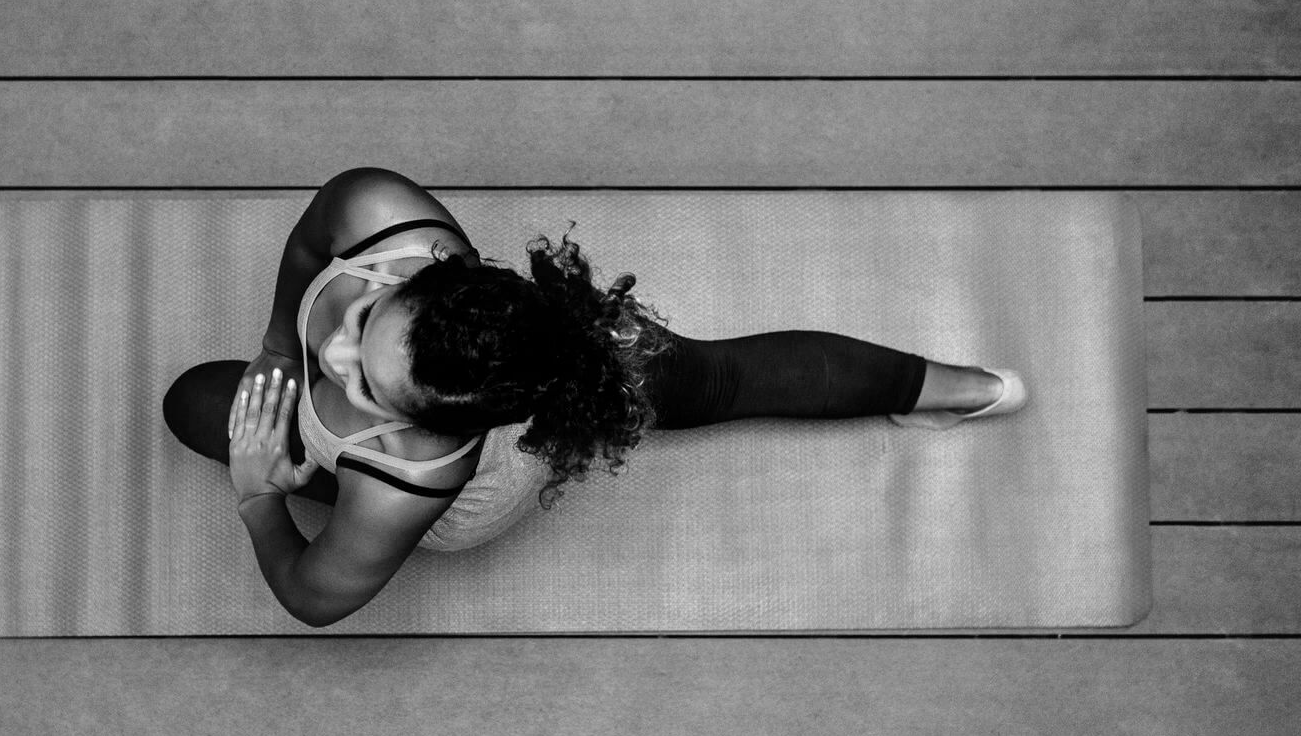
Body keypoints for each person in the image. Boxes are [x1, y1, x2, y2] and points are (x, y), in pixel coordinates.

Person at [163, 167, 1028, 627]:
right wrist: (278, 342)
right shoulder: (377, 209)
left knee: (194, 406)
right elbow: (311, 241)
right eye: (367, 320)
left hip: (476, 488)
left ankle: (961, 389)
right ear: (438, 274)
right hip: (571, 348)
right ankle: (976, 389)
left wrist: (259, 496)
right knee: (709, 374)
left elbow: (316, 597)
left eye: (364, 385)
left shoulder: (401, 481)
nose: (335, 353)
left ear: (437, 427)